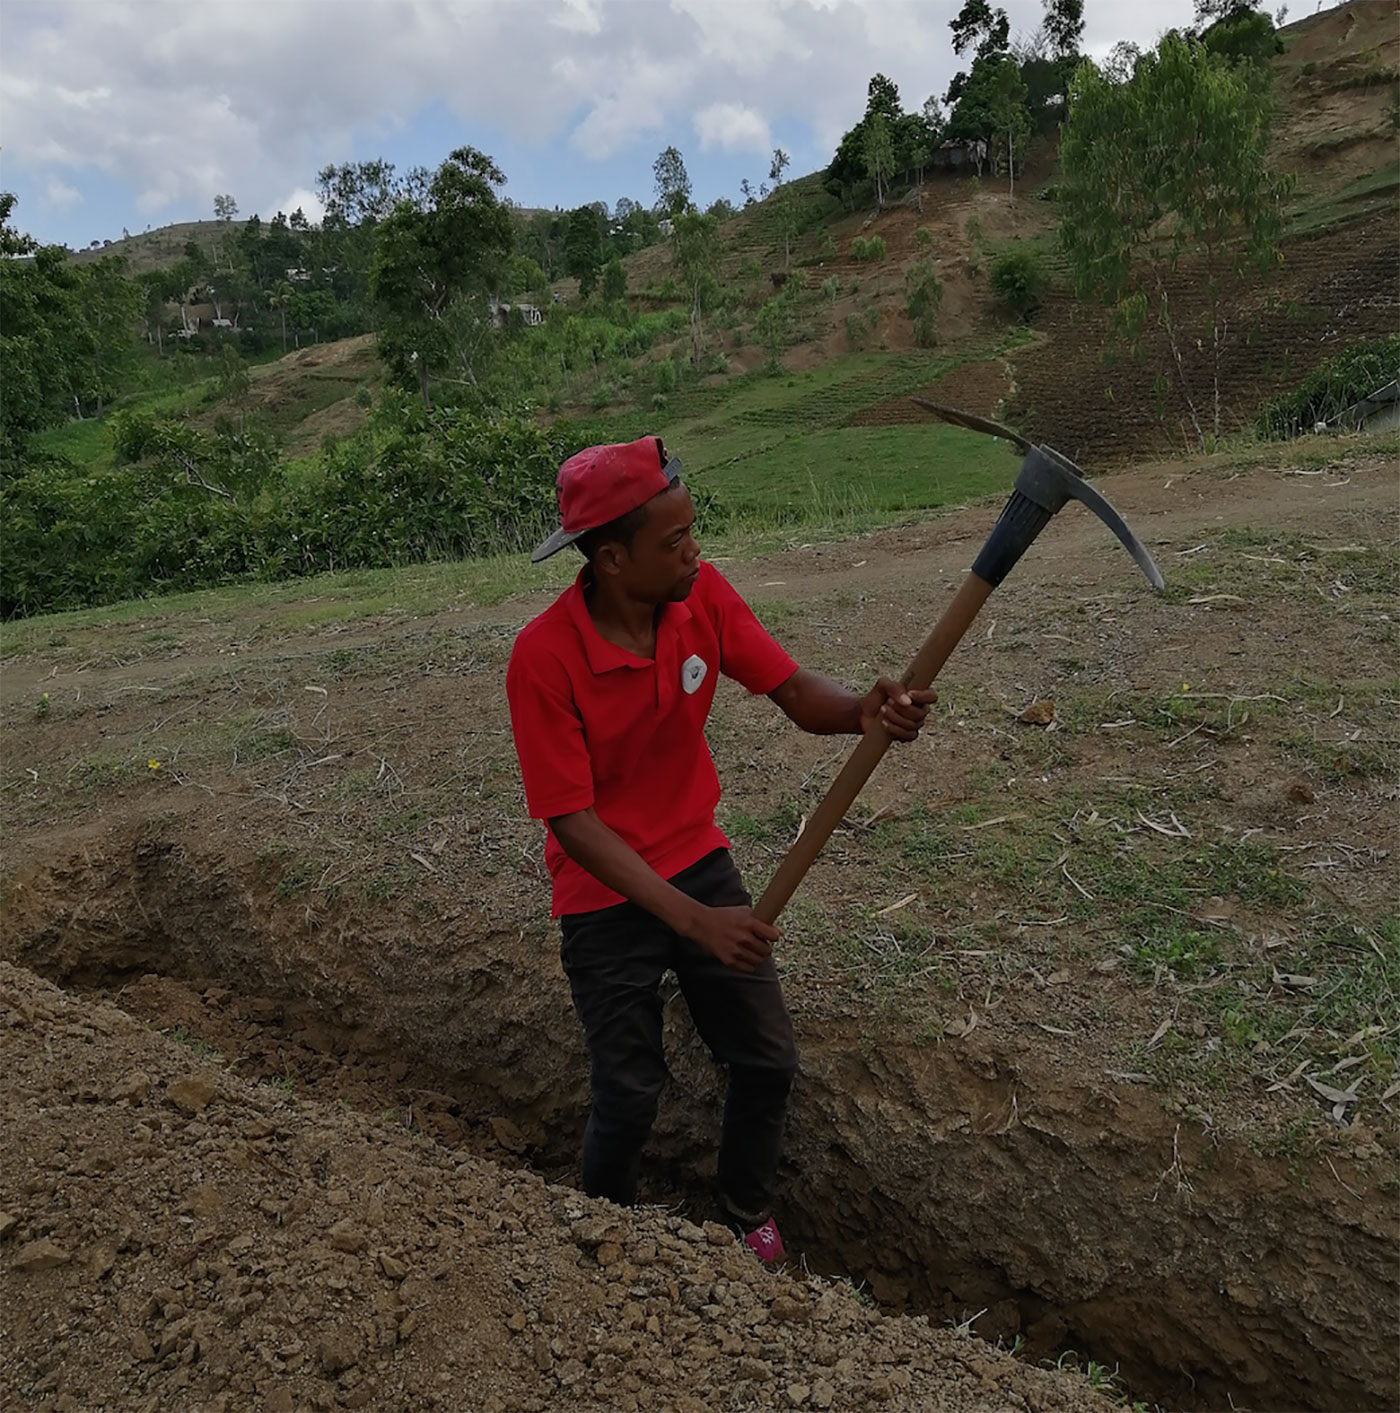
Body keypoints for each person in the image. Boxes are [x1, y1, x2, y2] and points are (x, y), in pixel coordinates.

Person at [506, 435, 934, 1263]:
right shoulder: (544, 657)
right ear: (612, 560)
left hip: (696, 855)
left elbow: (793, 689)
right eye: (674, 542)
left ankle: (745, 1212)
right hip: (604, 892)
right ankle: (606, 1237)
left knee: (767, 1057)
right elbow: (575, 824)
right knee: (629, 1092)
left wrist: (861, 710)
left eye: (692, 530)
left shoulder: (700, 600)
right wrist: (699, 924)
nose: (694, 551)